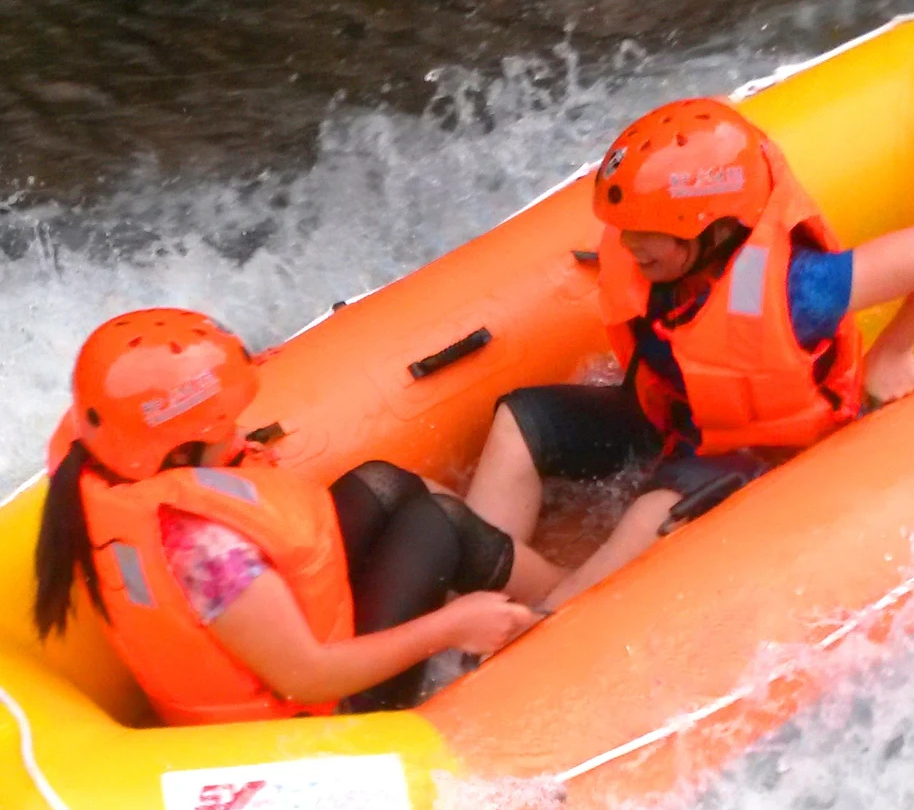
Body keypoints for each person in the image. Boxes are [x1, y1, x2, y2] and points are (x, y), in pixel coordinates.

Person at [465, 97, 914, 607]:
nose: (629, 246)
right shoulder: (654, 266)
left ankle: (536, 626)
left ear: (714, 230)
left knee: (647, 519)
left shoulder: (795, 290)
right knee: (521, 420)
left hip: (753, 445)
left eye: (648, 234)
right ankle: (475, 593)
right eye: (626, 230)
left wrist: (893, 350)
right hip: (675, 412)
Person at [34, 308, 563, 725]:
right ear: (176, 454)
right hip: (313, 716)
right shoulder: (203, 547)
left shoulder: (106, 462)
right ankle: (569, 611)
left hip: (276, 658)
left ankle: (555, 592)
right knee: (436, 526)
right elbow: (306, 677)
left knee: (384, 482)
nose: (240, 437)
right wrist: (450, 627)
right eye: (224, 432)